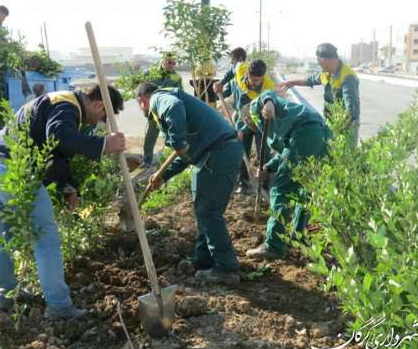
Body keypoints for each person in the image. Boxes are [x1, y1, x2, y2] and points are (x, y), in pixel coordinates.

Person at [0, 85, 125, 320]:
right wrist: (103, 145)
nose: (97, 122)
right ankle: (59, 308)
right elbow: (59, 138)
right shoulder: (67, 105)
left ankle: (4, 296)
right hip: (13, 172)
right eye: (102, 116)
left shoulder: (59, 101)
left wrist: (67, 187)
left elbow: (52, 150)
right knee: (46, 238)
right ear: (99, 105)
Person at [135, 82, 243, 284]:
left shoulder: (160, 98)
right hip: (216, 153)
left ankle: (226, 268)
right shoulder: (165, 107)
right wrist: (163, 176)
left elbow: (174, 111)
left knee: (208, 212)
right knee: (204, 210)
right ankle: (203, 261)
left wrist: (177, 140)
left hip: (217, 153)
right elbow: (184, 154)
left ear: (142, 101)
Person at [245, 90, 332, 260]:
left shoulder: (258, 112)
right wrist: (268, 168)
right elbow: (287, 151)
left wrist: (268, 102)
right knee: (304, 187)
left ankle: (273, 245)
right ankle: (298, 235)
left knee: (280, 189)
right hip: (321, 135)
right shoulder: (276, 125)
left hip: (305, 134)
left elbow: (267, 95)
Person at [216, 58, 276, 194]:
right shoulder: (241, 70)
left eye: (259, 80)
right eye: (253, 80)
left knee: (263, 152)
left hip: (261, 121)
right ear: (247, 74)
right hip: (241, 116)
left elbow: (256, 115)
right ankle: (243, 182)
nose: (256, 83)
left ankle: (265, 184)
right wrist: (221, 83)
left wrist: (243, 129)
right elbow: (233, 69)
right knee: (242, 150)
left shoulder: (268, 87)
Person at [280, 43, 360, 145]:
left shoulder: (347, 76)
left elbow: (351, 111)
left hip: (347, 124)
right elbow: (310, 80)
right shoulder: (326, 72)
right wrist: (292, 82)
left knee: (345, 155)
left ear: (329, 60)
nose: (320, 66)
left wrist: (340, 129)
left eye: (321, 63)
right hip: (331, 120)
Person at [142, 52, 183, 167]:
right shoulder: (150, 73)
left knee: (171, 135)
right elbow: (141, 90)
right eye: (169, 62)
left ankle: (170, 159)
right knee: (151, 135)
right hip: (154, 110)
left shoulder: (177, 77)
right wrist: (145, 107)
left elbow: (181, 93)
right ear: (163, 61)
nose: (171, 65)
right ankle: (147, 160)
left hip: (169, 111)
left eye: (174, 63)